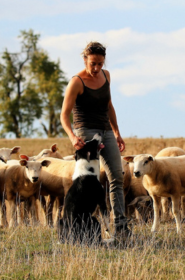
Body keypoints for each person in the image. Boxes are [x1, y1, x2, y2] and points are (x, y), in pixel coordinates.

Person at [60, 41, 131, 240]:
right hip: (85, 132)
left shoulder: (106, 76)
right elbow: (64, 115)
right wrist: (73, 136)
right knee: (87, 181)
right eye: (93, 64)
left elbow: (109, 105)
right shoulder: (76, 82)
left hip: (105, 131)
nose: (97, 68)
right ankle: (79, 227)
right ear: (85, 60)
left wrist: (116, 132)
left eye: (100, 63)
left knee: (116, 176)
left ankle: (121, 226)